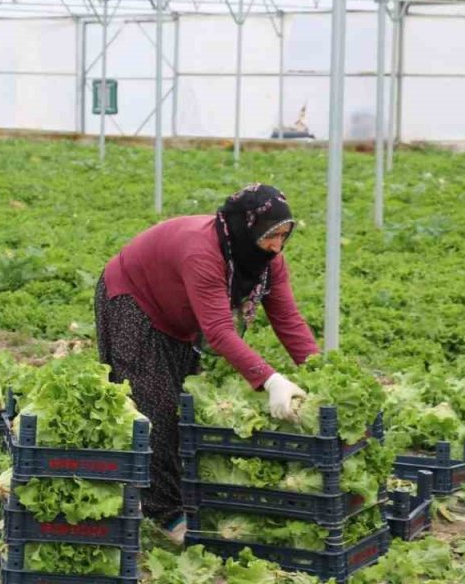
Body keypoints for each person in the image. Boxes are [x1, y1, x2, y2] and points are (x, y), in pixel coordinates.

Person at [93, 184, 319, 543]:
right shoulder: (205, 252)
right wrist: (270, 380)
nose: (277, 245)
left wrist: (318, 371)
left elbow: (288, 320)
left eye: (283, 235)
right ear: (247, 228)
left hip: (178, 316)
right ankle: (163, 512)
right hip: (133, 298)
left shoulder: (266, 264)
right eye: (270, 236)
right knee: (156, 407)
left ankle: (159, 490)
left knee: (181, 407)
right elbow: (217, 330)